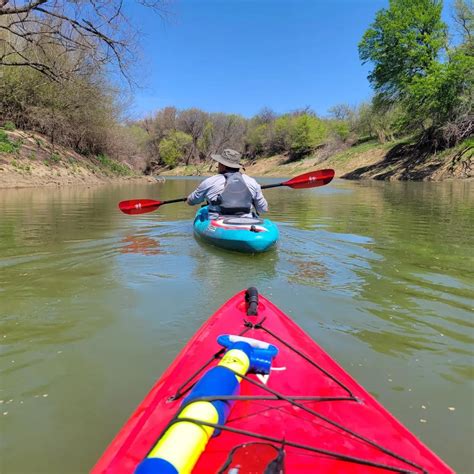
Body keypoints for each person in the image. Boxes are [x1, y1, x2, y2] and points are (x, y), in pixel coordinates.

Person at [187, 149, 268, 218]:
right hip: (246, 222)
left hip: (218, 224)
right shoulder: (252, 182)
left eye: (219, 163)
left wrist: (191, 198)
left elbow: (191, 201)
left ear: (222, 165)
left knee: (203, 211)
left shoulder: (209, 182)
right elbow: (263, 209)